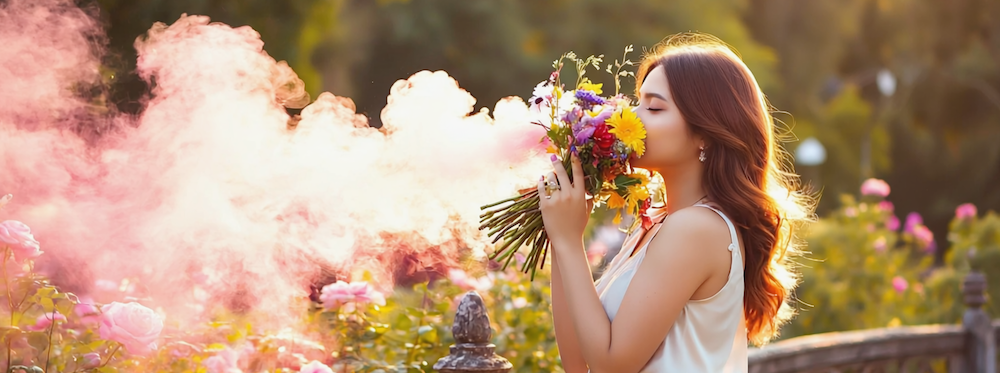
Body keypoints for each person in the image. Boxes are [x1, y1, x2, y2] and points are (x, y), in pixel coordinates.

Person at [536, 32, 814, 373]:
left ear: (705, 133)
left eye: (653, 107)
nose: (632, 118)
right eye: (638, 103)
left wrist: (568, 241)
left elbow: (611, 367)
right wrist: (561, 235)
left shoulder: (697, 228)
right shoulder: (659, 223)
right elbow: (579, 363)